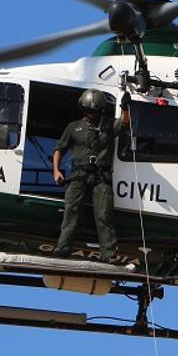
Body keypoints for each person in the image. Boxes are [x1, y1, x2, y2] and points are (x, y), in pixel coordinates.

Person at [51, 89, 129, 263]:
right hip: (79, 174)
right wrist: (56, 170)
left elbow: (124, 122)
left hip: (101, 177)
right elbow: (59, 149)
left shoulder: (108, 125)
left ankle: (109, 255)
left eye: (94, 111)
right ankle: (62, 248)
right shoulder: (73, 127)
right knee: (71, 209)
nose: (91, 114)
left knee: (104, 215)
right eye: (88, 111)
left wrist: (125, 108)